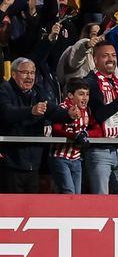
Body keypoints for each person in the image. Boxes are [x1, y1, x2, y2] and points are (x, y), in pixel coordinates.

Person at [0, 56, 74, 192]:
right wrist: (31, 111)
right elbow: (6, 113)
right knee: (12, 209)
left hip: (34, 163)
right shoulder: (5, 89)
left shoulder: (38, 91)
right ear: (14, 74)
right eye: (25, 73)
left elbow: (51, 110)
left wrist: (68, 115)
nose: (30, 77)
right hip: (11, 162)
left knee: (30, 207)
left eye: (32, 73)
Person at [84, 40, 118, 194]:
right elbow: (98, 115)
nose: (111, 59)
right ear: (95, 59)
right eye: (105, 56)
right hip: (98, 151)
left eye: (113, 55)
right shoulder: (90, 83)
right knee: (101, 202)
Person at [49, 78, 93, 194]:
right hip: (60, 157)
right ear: (70, 95)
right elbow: (56, 130)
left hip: (77, 159)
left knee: (77, 196)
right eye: (81, 94)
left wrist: (86, 134)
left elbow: (95, 128)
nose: (85, 98)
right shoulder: (62, 108)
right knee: (68, 193)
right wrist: (75, 135)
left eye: (87, 94)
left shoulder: (86, 111)